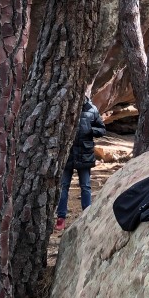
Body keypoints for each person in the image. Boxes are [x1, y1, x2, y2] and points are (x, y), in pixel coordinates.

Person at [56, 96, 106, 231]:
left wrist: (91, 130)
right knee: (63, 186)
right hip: (68, 154)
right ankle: (61, 217)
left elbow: (102, 129)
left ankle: (87, 214)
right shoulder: (65, 105)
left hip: (85, 154)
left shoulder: (92, 109)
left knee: (86, 186)